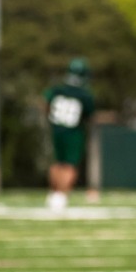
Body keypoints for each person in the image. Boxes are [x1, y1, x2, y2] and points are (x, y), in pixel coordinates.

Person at [44, 58, 97, 212]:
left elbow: (47, 104)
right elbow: (89, 115)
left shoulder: (57, 90)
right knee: (70, 165)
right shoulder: (84, 95)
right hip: (74, 131)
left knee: (58, 162)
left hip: (57, 129)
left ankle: (54, 193)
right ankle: (61, 196)